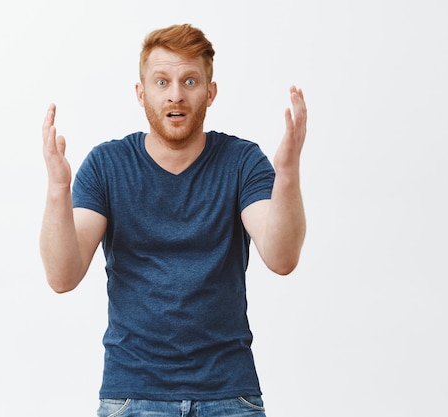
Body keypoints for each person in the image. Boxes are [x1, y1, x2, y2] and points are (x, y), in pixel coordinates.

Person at [40, 23, 307, 417]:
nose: (176, 94)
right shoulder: (107, 165)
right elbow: (63, 276)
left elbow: (281, 257)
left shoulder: (241, 161)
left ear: (210, 92)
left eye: (190, 81)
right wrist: (58, 190)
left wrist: (287, 175)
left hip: (230, 396)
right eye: (162, 82)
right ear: (141, 92)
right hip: (132, 396)